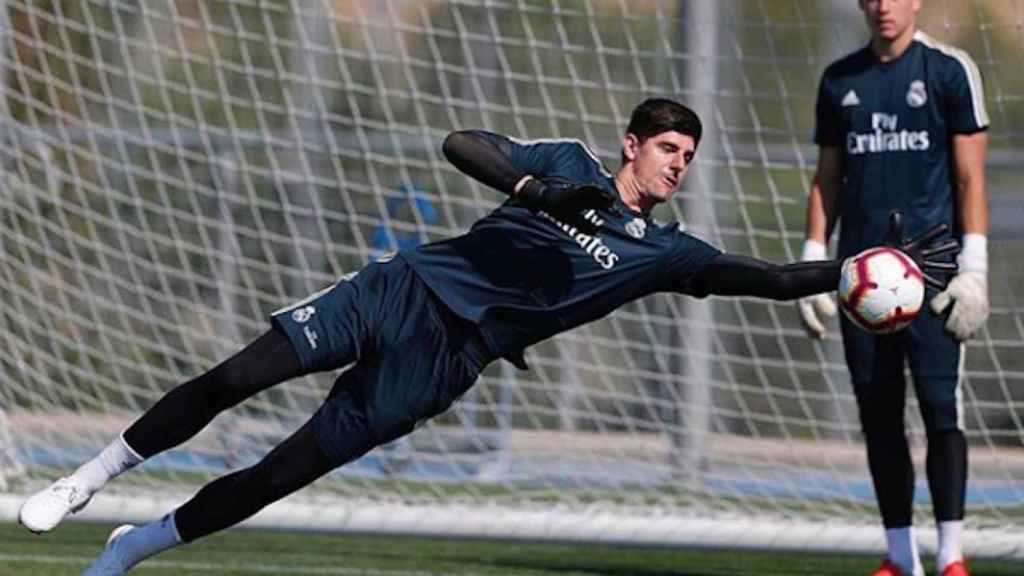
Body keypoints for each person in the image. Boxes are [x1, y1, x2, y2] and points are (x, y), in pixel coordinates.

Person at [20, 98, 953, 576]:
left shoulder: (667, 254)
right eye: (669, 150)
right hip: (402, 288)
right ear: (632, 144)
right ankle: (89, 476)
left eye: (690, 158)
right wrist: (536, 190)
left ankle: (133, 549)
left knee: (281, 471)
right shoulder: (571, 164)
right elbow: (463, 143)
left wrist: (859, 266)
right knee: (237, 375)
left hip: (445, 364)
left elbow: (772, 278)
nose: (680, 166)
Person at [797, 1, 989, 575]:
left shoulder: (949, 71)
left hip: (931, 274)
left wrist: (973, 267)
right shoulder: (839, 81)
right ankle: (901, 557)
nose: (883, 6)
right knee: (879, 416)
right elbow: (826, 178)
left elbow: (969, 175)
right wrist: (813, 263)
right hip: (862, 281)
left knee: (939, 409)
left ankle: (951, 556)